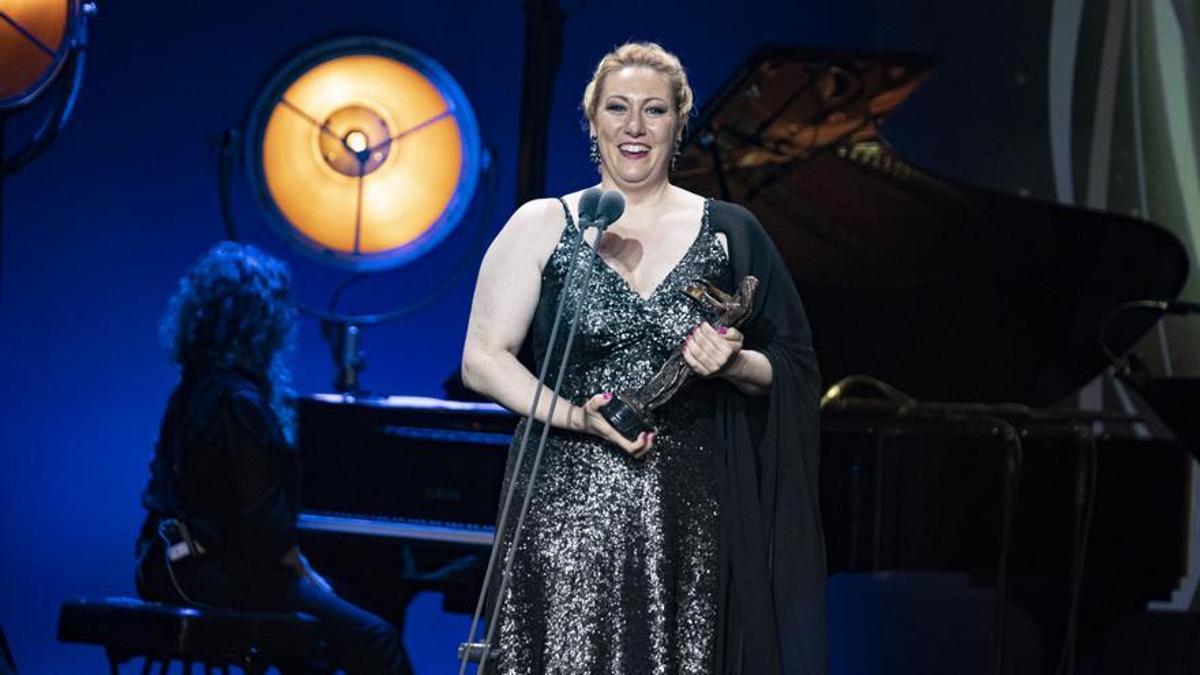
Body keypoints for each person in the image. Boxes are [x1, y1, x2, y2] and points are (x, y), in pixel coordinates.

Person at [461, 42, 826, 674]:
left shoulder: (732, 232)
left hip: (694, 517)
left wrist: (734, 364)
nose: (635, 126)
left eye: (654, 110)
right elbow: (483, 360)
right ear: (593, 120)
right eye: (618, 108)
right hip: (566, 510)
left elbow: (792, 368)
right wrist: (577, 416)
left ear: (679, 123)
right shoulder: (543, 224)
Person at [135, 241, 405, 674]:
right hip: (215, 574)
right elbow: (265, 528)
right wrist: (303, 569)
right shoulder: (239, 402)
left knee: (322, 641)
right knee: (375, 636)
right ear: (263, 321)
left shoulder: (194, 389)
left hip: (167, 564)